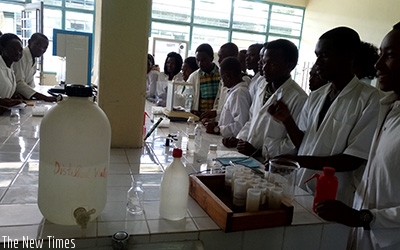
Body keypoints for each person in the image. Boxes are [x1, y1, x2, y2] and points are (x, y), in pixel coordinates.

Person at [268, 27, 381, 206]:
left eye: (325, 56)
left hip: (337, 198)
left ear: (349, 56)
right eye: (317, 55)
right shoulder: (316, 96)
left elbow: (352, 160)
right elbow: (305, 143)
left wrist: (297, 160)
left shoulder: (370, 100)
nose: (318, 62)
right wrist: (287, 120)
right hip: (302, 186)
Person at [316, 22, 400, 250]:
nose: (378, 64)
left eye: (390, 55)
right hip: (366, 237)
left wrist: (363, 218)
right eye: (380, 54)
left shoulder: (373, 101)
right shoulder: (391, 108)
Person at [222, 39, 307, 161]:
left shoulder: (299, 98)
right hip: (249, 158)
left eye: (272, 64)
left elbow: (293, 144)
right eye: (264, 62)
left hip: (272, 165)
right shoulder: (262, 86)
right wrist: (240, 139)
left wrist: (259, 151)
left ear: (290, 66)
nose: (265, 68)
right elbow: (252, 119)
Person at [201, 42, 250, 121]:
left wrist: (217, 114)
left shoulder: (244, 81)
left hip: (230, 127)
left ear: (234, 57)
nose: (219, 60)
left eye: (223, 57)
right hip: (221, 122)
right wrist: (213, 115)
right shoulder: (224, 77)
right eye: (219, 57)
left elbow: (240, 115)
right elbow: (218, 100)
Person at [204, 57, 251, 137]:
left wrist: (217, 129)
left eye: (222, 77)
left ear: (229, 76)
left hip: (231, 142)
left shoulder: (239, 93)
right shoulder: (234, 91)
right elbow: (229, 119)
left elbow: (240, 125)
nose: (222, 81)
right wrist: (216, 124)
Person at [12, 33, 56, 102]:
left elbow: (30, 83)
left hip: (20, 98)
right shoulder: (20, 56)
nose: (41, 49)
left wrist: (36, 96)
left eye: (45, 47)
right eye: (38, 45)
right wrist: (44, 97)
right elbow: (19, 83)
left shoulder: (33, 59)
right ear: (29, 42)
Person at [185, 43, 220, 115]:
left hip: (217, 118)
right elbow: (188, 99)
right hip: (200, 117)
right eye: (198, 60)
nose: (200, 64)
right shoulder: (193, 77)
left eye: (204, 60)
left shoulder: (220, 75)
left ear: (212, 58)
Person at [0, 33, 25, 114]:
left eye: (20, 50)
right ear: (2, 49)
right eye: (13, 49)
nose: (18, 53)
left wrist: (12, 97)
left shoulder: (10, 67)